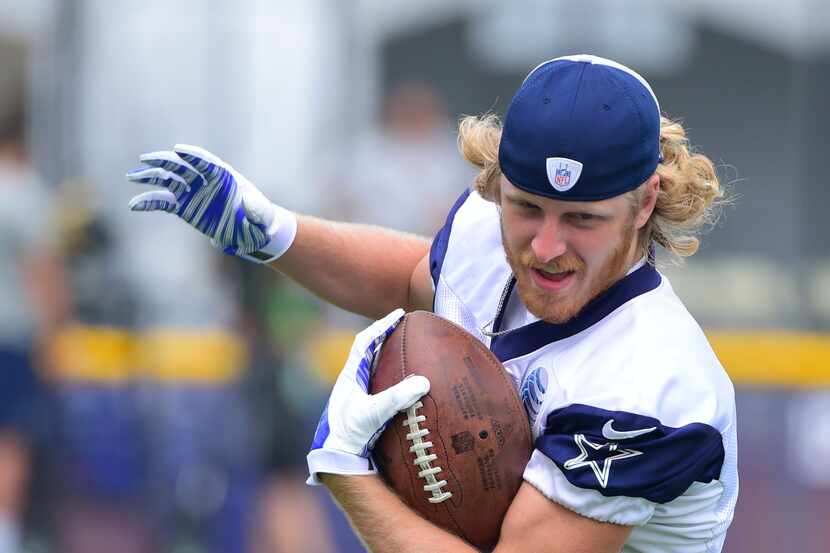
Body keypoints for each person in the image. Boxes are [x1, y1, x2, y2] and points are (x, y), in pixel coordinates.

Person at [126, 54, 737, 552]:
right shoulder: (486, 230)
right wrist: (278, 235)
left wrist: (348, 472)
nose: (546, 247)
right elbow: (415, 277)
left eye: (582, 219)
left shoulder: (651, 384)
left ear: (646, 202)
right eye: (527, 207)